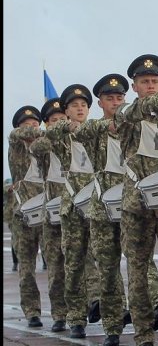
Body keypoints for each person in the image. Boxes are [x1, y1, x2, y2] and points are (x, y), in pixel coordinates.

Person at [114, 54, 158, 346]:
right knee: (139, 272)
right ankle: (143, 333)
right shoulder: (126, 113)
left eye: (155, 81)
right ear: (135, 87)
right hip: (137, 207)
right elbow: (147, 106)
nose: (151, 86)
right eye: (145, 82)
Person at [62, 73, 131, 346]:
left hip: (129, 201)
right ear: (100, 103)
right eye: (109, 98)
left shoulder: (133, 125)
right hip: (92, 205)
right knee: (88, 265)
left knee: (139, 265)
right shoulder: (86, 130)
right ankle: (84, 319)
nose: (115, 102)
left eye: (119, 97)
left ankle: (137, 317)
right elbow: (71, 133)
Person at [44, 85, 101, 339]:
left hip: (98, 203)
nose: (80, 109)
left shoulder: (96, 131)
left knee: (102, 259)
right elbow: (44, 140)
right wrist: (66, 126)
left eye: (84, 105)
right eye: (74, 106)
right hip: (72, 207)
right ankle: (76, 317)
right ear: (66, 111)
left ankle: (100, 304)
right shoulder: (60, 135)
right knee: (75, 262)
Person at [30, 98, 69, 332]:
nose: (59, 123)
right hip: (53, 215)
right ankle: (59, 314)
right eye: (54, 120)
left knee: (81, 264)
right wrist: (55, 131)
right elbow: (36, 148)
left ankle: (82, 309)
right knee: (56, 268)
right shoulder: (44, 143)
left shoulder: (76, 139)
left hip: (77, 211)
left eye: (62, 119)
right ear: (46, 123)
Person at [8, 105, 46, 328]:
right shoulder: (16, 142)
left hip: (46, 208)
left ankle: (63, 311)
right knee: (27, 265)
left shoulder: (44, 147)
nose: (32, 128)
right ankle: (32, 311)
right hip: (23, 213)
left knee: (56, 261)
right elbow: (20, 134)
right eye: (27, 124)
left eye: (35, 124)